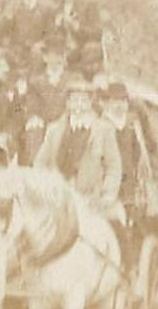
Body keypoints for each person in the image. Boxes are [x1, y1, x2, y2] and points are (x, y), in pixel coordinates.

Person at [34, 81, 123, 215]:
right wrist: (45, 187)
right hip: (57, 200)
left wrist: (107, 195)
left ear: (90, 103)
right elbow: (40, 163)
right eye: (75, 100)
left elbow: (114, 166)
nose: (79, 105)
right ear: (68, 103)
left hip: (91, 201)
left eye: (84, 100)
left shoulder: (104, 130)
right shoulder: (54, 129)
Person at [100, 81, 143, 267]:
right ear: (108, 102)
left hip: (127, 185)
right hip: (107, 184)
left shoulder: (131, 125)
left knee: (128, 227)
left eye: (123, 101)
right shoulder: (101, 124)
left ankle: (128, 265)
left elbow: (137, 153)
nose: (119, 105)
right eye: (115, 101)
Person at [48, 0, 105, 78]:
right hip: (64, 49)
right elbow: (53, 35)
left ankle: (90, 83)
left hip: (82, 49)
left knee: (91, 48)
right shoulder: (56, 8)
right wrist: (56, 26)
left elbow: (98, 34)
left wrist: (77, 27)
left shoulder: (88, 4)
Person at [0, 0, 54, 73]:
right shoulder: (11, 5)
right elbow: (1, 33)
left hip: (40, 50)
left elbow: (52, 33)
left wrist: (42, 43)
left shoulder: (48, 6)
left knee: (37, 56)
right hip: (16, 49)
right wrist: (6, 20)